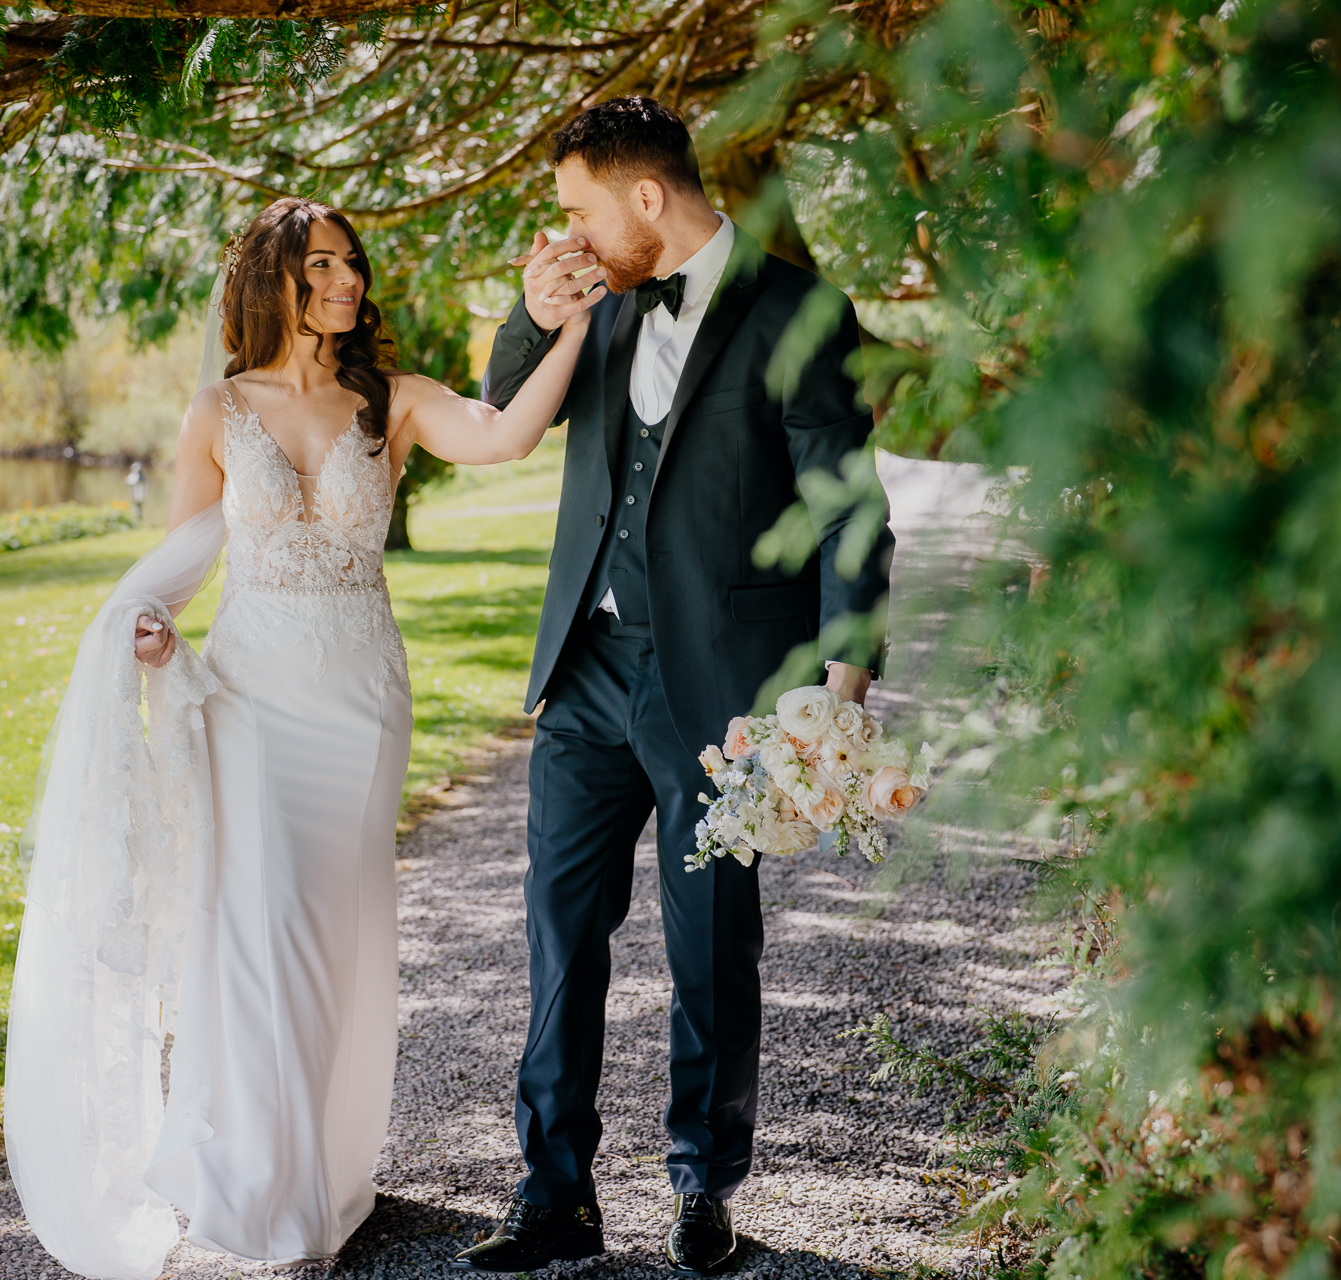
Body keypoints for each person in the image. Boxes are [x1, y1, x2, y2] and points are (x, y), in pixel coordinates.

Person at [2, 196, 608, 1277]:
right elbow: (185, 561)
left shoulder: (393, 402)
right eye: (319, 264)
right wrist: (150, 634)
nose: (345, 282)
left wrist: (572, 327)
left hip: (360, 700)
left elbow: (509, 433)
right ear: (270, 277)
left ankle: (325, 1163)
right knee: (260, 928)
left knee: (336, 925)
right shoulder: (216, 411)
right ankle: (258, 1181)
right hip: (251, 696)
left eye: (351, 264)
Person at [453, 97, 894, 1276]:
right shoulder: (588, 295)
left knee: (708, 940)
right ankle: (555, 1190)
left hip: (726, 688)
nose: (566, 234)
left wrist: (840, 697)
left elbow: (847, 510)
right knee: (559, 932)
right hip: (590, 666)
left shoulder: (801, 313)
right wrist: (529, 314)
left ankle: (704, 1183)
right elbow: (500, 410)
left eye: (578, 210)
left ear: (646, 199)